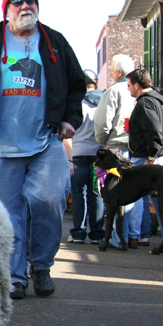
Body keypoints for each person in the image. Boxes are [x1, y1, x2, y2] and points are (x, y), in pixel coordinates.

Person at [0, 0, 85, 300]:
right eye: (18, 1)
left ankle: (41, 265)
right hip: (1, 145)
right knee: (7, 215)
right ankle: (14, 276)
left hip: (46, 141)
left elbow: (76, 84)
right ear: (7, 9)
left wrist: (70, 120)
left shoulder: (54, 42)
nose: (26, 6)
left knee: (49, 202)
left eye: (31, 0)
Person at [126, 69, 163, 255]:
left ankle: (121, 238)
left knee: (128, 198)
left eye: (129, 85)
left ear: (137, 85)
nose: (128, 89)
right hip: (158, 158)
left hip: (149, 160)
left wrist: (151, 158)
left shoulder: (145, 104)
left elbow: (154, 133)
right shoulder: (157, 101)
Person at [93, 53, 144, 247]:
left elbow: (102, 120)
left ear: (120, 72)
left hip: (115, 149)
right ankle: (134, 235)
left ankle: (116, 237)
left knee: (112, 193)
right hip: (136, 149)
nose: (111, 73)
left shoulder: (114, 91)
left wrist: (103, 141)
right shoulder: (141, 91)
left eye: (112, 70)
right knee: (136, 193)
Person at [68, 69, 104, 244]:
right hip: (98, 155)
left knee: (78, 195)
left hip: (78, 153)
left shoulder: (77, 103)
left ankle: (78, 233)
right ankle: (97, 234)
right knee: (97, 195)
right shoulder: (104, 102)